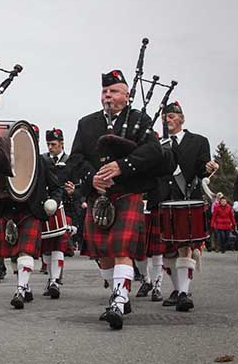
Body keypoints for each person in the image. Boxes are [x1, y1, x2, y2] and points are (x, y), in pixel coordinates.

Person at [68, 69, 162, 329]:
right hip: (99, 196)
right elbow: (75, 159)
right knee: (103, 255)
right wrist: (92, 179)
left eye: (114, 91)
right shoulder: (87, 123)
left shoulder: (140, 120)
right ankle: (118, 293)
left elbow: (155, 152)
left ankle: (119, 300)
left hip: (127, 193)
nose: (108, 96)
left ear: (127, 96)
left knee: (122, 251)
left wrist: (123, 166)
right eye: (105, 91)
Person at [159, 101, 217, 311]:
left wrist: (209, 168)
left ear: (182, 119)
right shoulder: (159, 142)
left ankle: (183, 292)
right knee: (165, 251)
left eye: (173, 116)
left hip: (188, 198)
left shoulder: (199, 141)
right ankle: (176, 288)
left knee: (184, 247)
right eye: (165, 116)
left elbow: (203, 170)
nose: (168, 119)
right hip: (164, 199)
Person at [0, 125, 62, 309]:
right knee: (13, 255)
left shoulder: (43, 163)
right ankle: (26, 286)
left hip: (31, 211)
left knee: (25, 251)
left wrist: (54, 202)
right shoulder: (5, 159)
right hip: (9, 210)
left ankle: (20, 289)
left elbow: (57, 188)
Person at [41, 127, 78, 298]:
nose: (50, 147)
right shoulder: (42, 160)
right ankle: (51, 278)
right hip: (46, 207)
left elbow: (78, 185)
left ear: (62, 143)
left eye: (53, 144)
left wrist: (74, 192)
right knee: (47, 247)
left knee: (58, 245)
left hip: (66, 207)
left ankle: (55, 280)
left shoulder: (71, 161)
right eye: (48, 144)